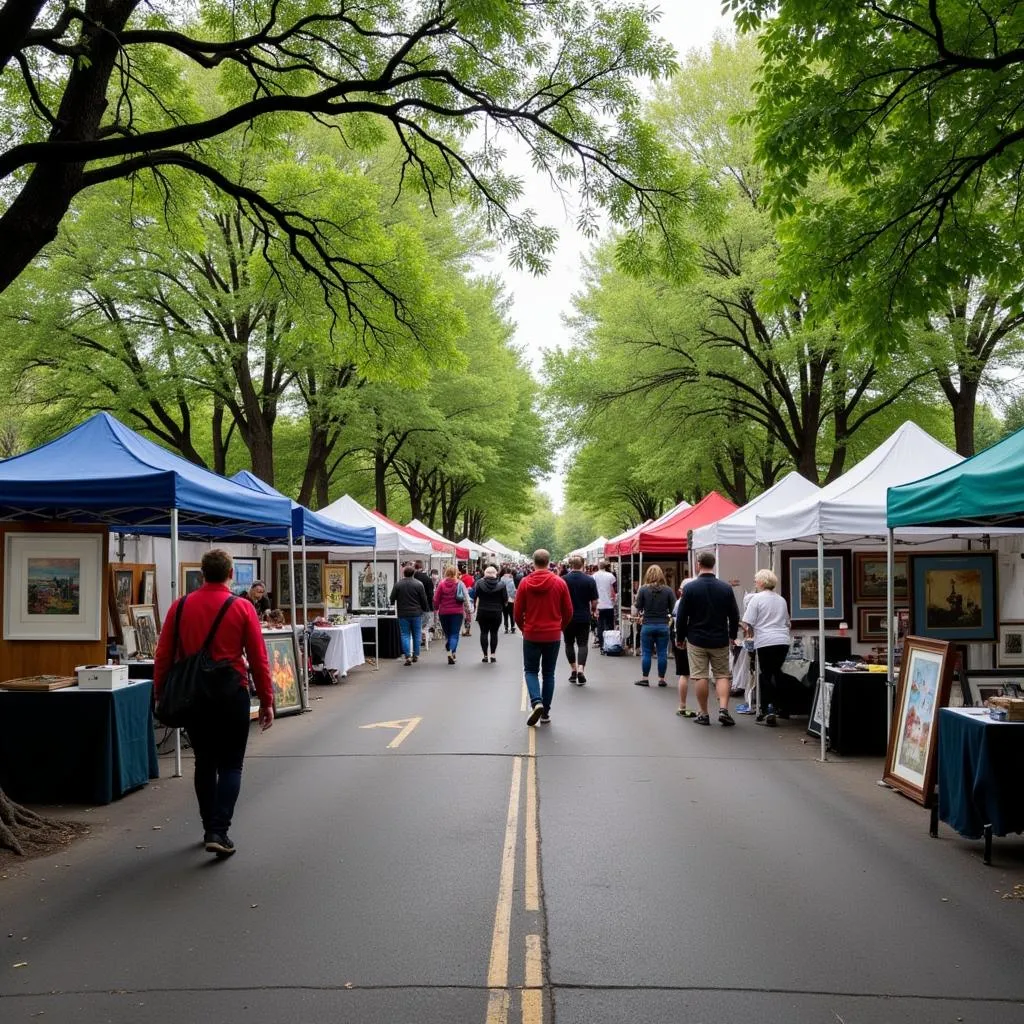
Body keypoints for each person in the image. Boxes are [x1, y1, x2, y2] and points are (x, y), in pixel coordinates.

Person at [153, 549, 274, 858]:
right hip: (231, 693)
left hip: (194, 696)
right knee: (232, 763)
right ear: (230, 574)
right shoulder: (242, 608)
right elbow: (258, 659)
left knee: (205, 761)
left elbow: (163, 655)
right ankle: (219, 829)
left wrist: (160, 693)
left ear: (202, 574)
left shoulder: (179, 607)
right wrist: (267, 701)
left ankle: (208, 825)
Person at [675, 550, 740, 727]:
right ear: (714, 565)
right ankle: (724, 710)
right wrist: (732, 635)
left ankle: (704, 713)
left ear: (698, 565)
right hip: (719, 638)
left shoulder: (690, 588)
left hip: (696, 638)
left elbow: (682, 617)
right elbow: (734, 615)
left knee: (700, 676)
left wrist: (680, 637)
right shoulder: (725, 588)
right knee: (722, 675)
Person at [514, 549, 573, 726]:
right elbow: (568, 611)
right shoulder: (560, 583)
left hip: (532, 632)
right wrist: (560, 627)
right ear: (549, 562)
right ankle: (545, 711)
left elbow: (517, 611)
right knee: (549, 673)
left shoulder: (525, 583)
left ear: (534, 562)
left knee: (531, 670)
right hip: (552, 634)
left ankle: (536, 701)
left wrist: (523, 629)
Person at [740, 568, 792, 727]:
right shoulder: (781, 599)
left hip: (766, 640)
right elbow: (787, 622)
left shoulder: (756, 599)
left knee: (765, 674)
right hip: (782, 640)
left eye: (756, 580)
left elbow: (748, 621)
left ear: (762, 582)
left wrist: (748, 632)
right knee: (777, 672)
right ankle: (783, 706)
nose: (755, 583)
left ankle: (767, 708)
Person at [633, 564, 675, 688]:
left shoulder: (643, 589)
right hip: (663, 625)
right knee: (662, 653)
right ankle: (661, 679)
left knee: (646, 653)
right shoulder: (668, 590)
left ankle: (645, 678)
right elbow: (674, 609)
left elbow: (638, 606)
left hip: (647, 625)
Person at [562, 554, 598, 685]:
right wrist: (593, 610)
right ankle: (581, 669)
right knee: (583, 644)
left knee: (569, 643)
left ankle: (573, 669)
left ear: (571, 565)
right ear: (582, 564)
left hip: (567, 617)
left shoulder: (563, 579)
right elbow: (594, 601)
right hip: (583, 616)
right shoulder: (589, 580)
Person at [390, 565, 431, 666]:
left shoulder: (398, 584)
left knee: (405, 635)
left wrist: (392, 603)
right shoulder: (419, 584)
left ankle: (407, 656)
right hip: (416, 613)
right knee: (416, 634)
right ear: (413, 573)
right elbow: (423, 599)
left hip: (403, 613)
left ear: (404, 573)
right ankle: (415, 655)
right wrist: (425, 609)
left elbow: (391, 598)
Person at [434, 565, 470, 664]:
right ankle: (451, 652)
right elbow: (466, 597)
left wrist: (436, 608)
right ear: (456, 573)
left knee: (448, 634)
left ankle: (451, 652)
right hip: (457, 612)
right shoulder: (460, 584)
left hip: (444, 612)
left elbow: (436, 599)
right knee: (454, 634)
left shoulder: (441, 584)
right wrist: (469, 610)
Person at [473, 565, 508, 662]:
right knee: (494, 633)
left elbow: (475, 595)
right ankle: (492, 655)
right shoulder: (501, 584)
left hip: (483, 611)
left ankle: (485, 655)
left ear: (485, 574)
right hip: (496, 612)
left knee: (483, 632)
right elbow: (505, 599)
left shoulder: (479, 583)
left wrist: (475, 606)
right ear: (495, 574)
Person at [672, 581, 696, 717]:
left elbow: (678, 621)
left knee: (684, 673)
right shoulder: (700, 601)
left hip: (683, 639)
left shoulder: (680, 603)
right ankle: (705, 709)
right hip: (698, 638)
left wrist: (679, 639)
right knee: (700, 675)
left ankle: (682, 705)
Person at [592, 561, 617, 649]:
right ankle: (609, 643)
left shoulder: (594, 576)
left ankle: (601, 643)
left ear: (599, 567)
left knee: (600, 625)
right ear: (605, 567)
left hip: (599, 604)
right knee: (610, 625)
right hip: (609, 604)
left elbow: (593, 589)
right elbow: (614, 589)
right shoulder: (610, 576)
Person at [459, 564, 476, 636]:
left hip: (462, 598)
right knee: (468, 614)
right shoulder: (471, 578)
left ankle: (463, 630)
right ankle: (468, 630)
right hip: (470, 597)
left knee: (462, 615)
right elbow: (474, 586)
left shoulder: (460, 579)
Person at [500, 565, 517, 633]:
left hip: (504, 600)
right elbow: (513, 591)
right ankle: (512, 627)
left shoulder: (501, 580)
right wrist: (514, 597)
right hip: (510, 600)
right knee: (511, 614)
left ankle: (506, 628)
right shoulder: (511, 580)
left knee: (505, 614)